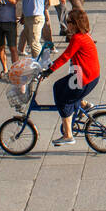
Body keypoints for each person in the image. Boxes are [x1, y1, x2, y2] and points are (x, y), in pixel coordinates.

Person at [42, 8, 99, 146]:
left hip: (83, 78)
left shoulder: (77, 38)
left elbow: (65, 56)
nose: (67, 24)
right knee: (58, 86)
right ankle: (83, 104)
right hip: (86, 75)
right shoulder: (85, 35)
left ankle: (68, 135)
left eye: (68, 22)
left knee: (64, 100)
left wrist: (49, 71)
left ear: (75, 24)